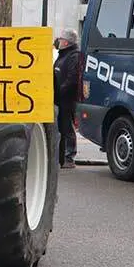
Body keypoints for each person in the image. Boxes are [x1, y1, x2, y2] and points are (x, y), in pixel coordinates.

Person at [54, 27, 82, 169]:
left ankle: (69, 157)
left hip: (67, 99)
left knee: (67, 127)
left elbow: (72, 78)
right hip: (59, 98)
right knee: (61, 128)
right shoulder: (62, 55)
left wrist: (60, 90)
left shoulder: (74, 56)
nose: (59, 41)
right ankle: (61, 157)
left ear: (67, 42)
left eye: (61, 39)